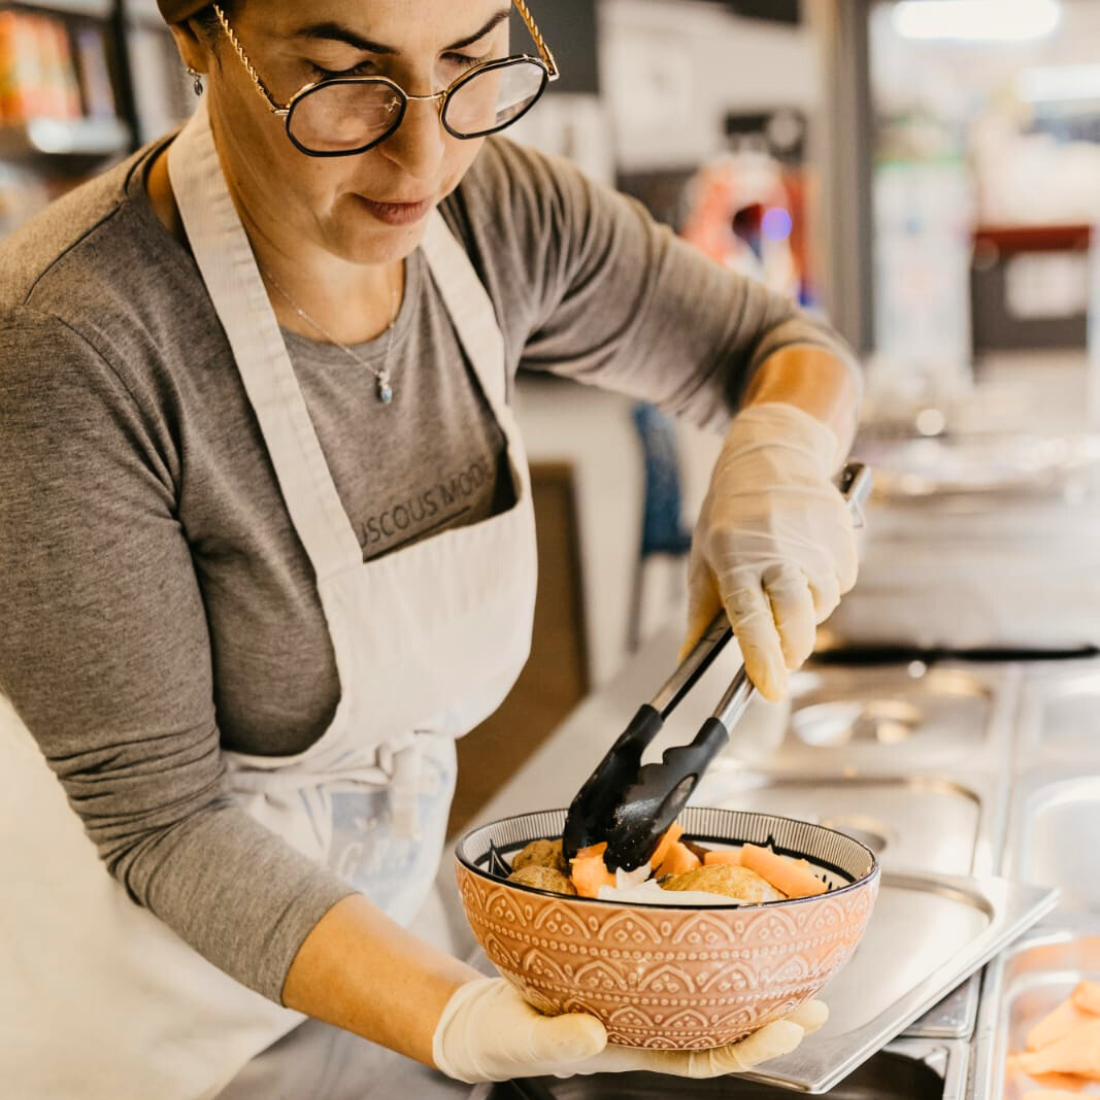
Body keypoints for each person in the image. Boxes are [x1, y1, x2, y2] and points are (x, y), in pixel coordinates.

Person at [0, 0, 861, 1096]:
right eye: (341, 74)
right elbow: (165, 823)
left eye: (468, 64)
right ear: (196, 31)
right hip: (150, 1035)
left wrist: (777, 459)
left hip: (377, 960)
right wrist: (453, 1017)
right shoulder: (67, 341)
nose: (426, 153)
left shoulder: (499, 213)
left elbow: (779, 345)